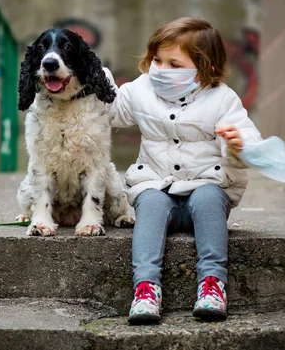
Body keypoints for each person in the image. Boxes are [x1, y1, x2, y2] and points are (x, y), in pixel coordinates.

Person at [107, 16, 262, 324]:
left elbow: (251, 143)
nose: (161, 70)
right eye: (157, 60)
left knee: (207, 198)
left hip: (205, 186)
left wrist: (239, 143)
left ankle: (212, 285)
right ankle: (146, 288)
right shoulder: (141, 89)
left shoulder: (222, 99)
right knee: (149, 203)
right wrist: (96, 79)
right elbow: (111, 110)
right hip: (156, 184)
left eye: (174, 65)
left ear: (207, 69)